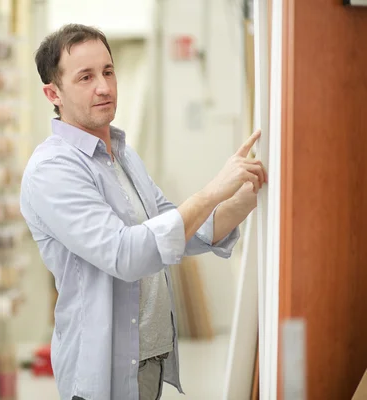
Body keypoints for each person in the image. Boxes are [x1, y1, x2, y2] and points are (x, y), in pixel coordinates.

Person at [20, 24, 266, 400]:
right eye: (85, 77)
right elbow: (126, 254)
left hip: (146, 361)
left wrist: (244, 198)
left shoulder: (122, 155)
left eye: (108, 71)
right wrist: (213, 189)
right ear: (53, 93)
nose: (103, 86)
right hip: (104, 372)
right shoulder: (53, 170)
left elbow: (183, 231)